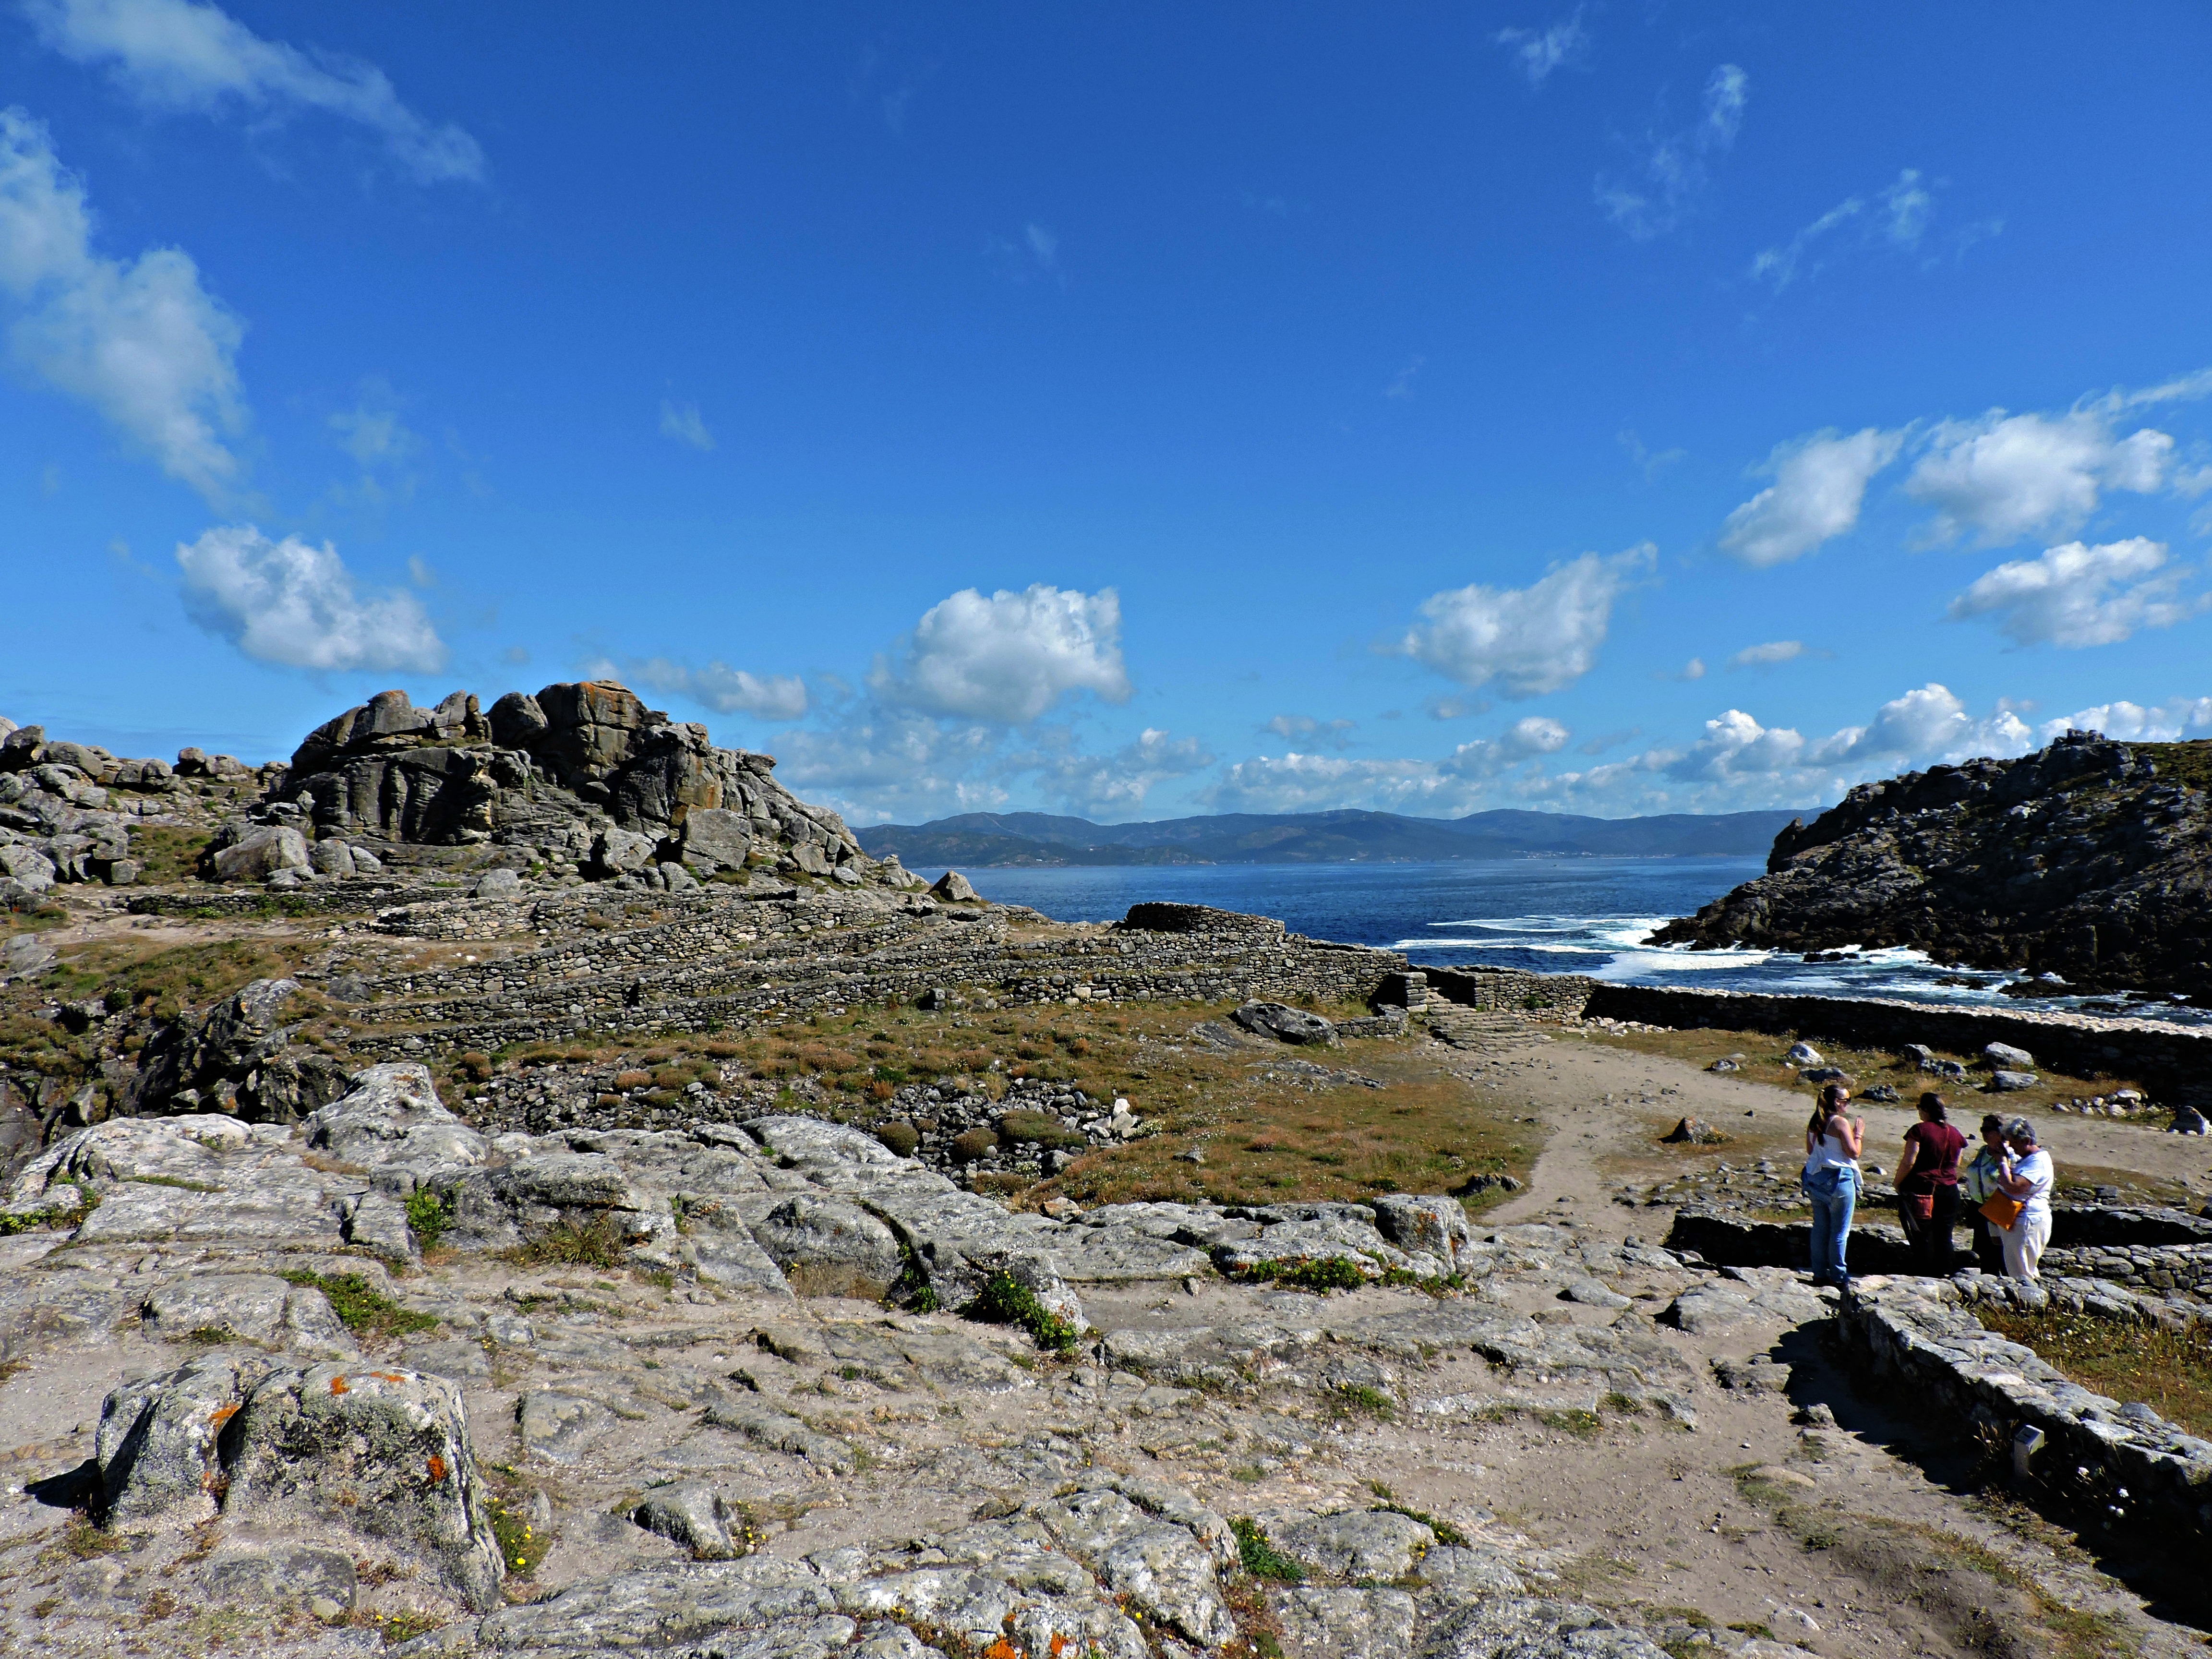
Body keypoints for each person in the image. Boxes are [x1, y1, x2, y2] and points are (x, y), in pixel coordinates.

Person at [1893, 1092, 1968, 1275]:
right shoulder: (1955, 1132)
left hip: (1924, 1188)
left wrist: (1898, 1182)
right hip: (1950, 1189)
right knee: (1944, 1236)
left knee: (1923, 1235)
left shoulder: (1919, 1130)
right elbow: (1957, 1162)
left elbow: (1909, 1160)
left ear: (1925, 1110)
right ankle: (1946, 1272)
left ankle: (1924, 1273)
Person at [1802, 1082, 1864, 1288]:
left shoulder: (1815, 1121)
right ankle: (1838, 1276)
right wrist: (1858, 1134)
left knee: (1820, 1228)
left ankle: (1819, 1274)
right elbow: (1854, 1153)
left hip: (1816, 1178)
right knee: (1840, 1232)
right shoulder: (1840, 1123)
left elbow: (1811, 1150)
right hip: (1839, 1179)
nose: (1848, 1105)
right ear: (1837, 1102)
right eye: (1846, 1101)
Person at [1990, 1117, 2055, 1280]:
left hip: (2027, 1221)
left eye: (2014, 1143)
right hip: (2016, 1219)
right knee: (2017, 1268)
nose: (2011, 1147)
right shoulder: (2028, 1160)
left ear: (2026, 1140)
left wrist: (2003, 1163)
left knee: (2022, 1272)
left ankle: (2028, 1302)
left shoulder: (2038, 1162)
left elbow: (2015, 1187)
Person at [1960, 1114, 2008, 1274]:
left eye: (1989, 1129)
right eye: (1982, 1129)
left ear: (2001, 1132)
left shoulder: (2009, 1154)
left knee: (2001, 1253)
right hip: (1979, 1207)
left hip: (1999, 1208)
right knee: (1984, 1254)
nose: (1984, 1133)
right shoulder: (1983, 1151)